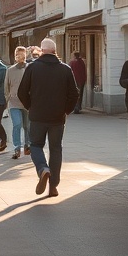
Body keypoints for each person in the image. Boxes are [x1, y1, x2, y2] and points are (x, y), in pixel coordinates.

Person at [17, 37, 78, 198]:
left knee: (35, 145)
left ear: (42, 51)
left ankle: (43, 169)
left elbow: (21, 92)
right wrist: (66, 110)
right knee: (56, 149)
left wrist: (31, 107)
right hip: (57, 117)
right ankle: (53, 186)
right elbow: (74, 93)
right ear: (55, 51)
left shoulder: (32, 68)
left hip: (37, 116)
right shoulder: (65, 69)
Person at [4, 46, 30, 158]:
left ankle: (27, 145)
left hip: (27, 103)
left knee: (27, 126)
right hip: (14, 102)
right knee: (17, 124)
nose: (19, 56)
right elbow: (6, 87)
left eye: (22, 54)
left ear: (25, 55)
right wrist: (8, 99)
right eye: (17, 54)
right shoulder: (10, 70)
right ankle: (17, 147)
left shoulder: (30, 68)